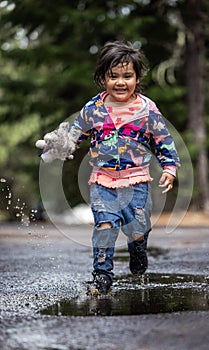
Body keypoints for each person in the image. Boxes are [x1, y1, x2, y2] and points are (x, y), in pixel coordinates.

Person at [36, 41, 180, 295]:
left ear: (137, 77)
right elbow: (74, 136)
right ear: (103, 78)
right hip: (102, 181)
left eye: (127, 76)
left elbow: (163, 140)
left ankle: (138, 249)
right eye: (113, 76)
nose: (120, 82)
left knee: (137, 228)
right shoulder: (94, 109)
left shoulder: (147, 110)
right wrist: (62, 145)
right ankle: (102, 275)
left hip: (137, 181)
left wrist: (169, 167)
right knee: (104, 225)